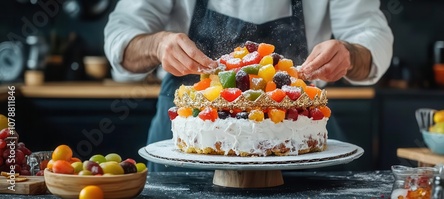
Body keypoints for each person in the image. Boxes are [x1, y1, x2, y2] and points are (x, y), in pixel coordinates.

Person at [104, 0, 393, 171]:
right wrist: (157, 44)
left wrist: (350, 53)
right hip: (188, 126)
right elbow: (121, 36)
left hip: (296, 126)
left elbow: (370, 35)